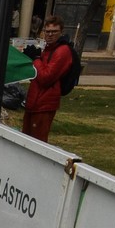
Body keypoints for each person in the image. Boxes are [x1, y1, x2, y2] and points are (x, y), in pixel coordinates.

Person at [21, 14, 73, 143]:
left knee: (37, 142)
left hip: (44, 103)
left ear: (61, 32)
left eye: (54, 32)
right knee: (26, 139)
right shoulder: (49, 50)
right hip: (35, 102)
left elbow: (46, 77)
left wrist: (36, 59)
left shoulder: (62, 51)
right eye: (47, 31)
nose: (50, 35)